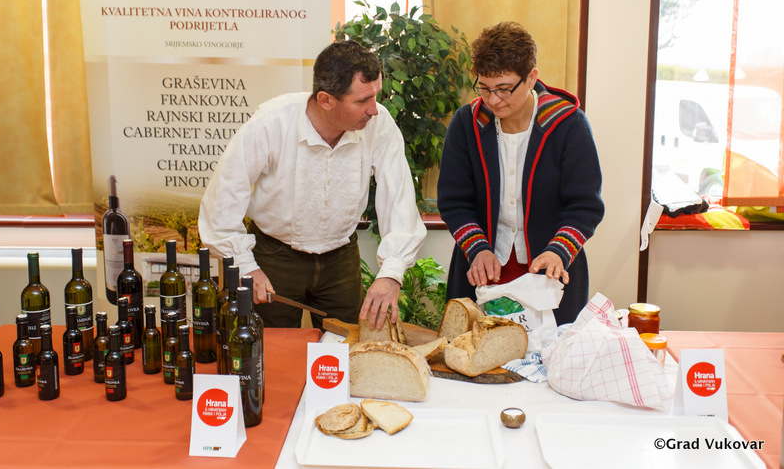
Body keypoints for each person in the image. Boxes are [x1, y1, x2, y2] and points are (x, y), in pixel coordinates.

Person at [198, 40, 426, 330]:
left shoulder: (379, 125)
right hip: (274, 259)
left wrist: (391, 272)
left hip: (341, 262)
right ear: (326, 100)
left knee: (345, 348)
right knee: (273, 349)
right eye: (362, 101)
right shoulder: (270, 123)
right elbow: (221, 204)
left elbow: (399, 198)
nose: (374, 110)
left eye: (375, 96)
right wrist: (246, 266)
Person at [437, 22, 604, 325]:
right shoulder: (466, 124)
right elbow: (454, 201)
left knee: (552, 350)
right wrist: (477, 248)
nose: (493, 99)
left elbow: (585, 205)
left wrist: (559, 251)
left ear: (531, 77)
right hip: (483, 268)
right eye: (484, 87)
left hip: (548, 269)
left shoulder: (568, 124)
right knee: (474, 348)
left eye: (504, 89)